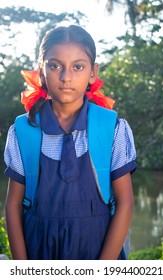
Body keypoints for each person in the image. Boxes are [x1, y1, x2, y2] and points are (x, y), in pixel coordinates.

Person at [4, 25, 136, 260]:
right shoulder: (23, 131)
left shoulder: (112, 128)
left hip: (98, 251)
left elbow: (125, 203)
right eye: (55, 66)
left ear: (92, 73)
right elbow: (13, 206)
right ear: (42, 72)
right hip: (39, 251)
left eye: (78, 67)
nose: (66, 77)